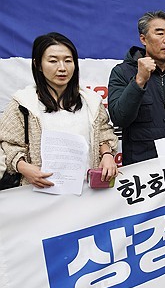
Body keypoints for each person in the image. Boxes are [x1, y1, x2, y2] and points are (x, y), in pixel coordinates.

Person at [0, 32, 118, 188]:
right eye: (53, 61)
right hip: (39, 192)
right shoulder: (23, 103)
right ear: (38, 65)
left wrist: (108, 155)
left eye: (68, 61)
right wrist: (24, 167)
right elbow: (7, 144)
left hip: (86, 195)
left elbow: (104, 134)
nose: (62, 68)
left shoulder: (91, 101)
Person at [108, 11, 165, 166]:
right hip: (142, 164)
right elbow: (119, 118)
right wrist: (139, 81)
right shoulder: (122, 72)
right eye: (160, 33)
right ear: (143, 39)